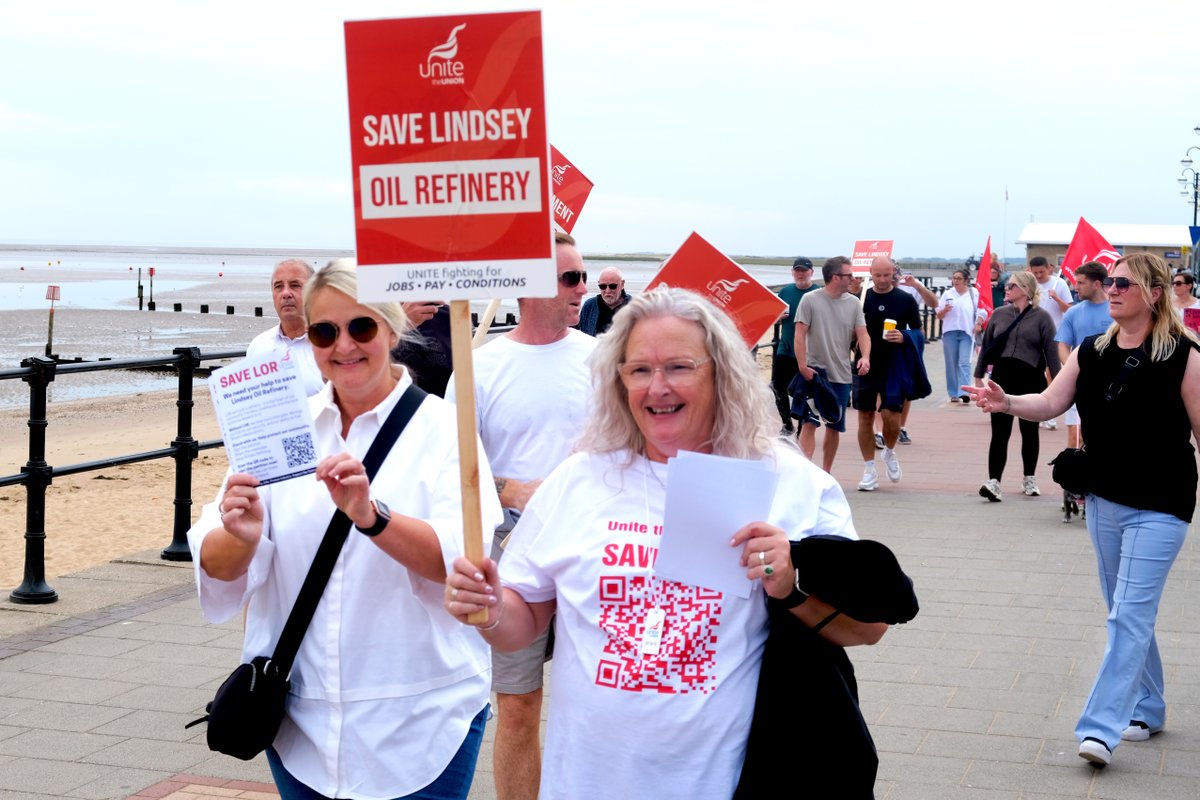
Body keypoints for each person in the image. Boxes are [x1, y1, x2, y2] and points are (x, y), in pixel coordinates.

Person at [444, 286, 888, 798]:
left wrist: (790, 581)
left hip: (729, 781)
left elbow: (870, 628)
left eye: (678, 367)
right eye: (638, 370)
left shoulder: (788, 482)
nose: (656, 387)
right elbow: (523, 624)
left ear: (722, 372)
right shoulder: (579, 479)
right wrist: (490, 606)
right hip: (587, 782)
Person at [188, 259, 502, 799]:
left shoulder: (445, 430)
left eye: (361, 327)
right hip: (301, 720)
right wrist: (238, 538)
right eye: (324, 331)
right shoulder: (281, 428)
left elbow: (458, 564)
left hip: (420, 717)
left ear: (392, 327)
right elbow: (215, 570)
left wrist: (372, 517)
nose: (344, 346)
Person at [965, 253, 1200, 769]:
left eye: (1123, 283)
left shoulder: (1185, 355)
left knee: (1128, 615)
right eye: (1109, 282)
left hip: (1162, 504)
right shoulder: (1093, 350)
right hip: (1104, 498)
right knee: (1125, 612)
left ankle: (1100, 728)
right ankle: (1151, 706)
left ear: (1154, 294)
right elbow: (1050, 402)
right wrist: (1005, 404)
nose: (1111, 290)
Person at [445, 230, 598, 800]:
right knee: (516, 708)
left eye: (582, 275)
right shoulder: (481, 366)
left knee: (603, 700)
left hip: (593, 542)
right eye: (569, 278)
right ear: (529, 285)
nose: (581, 288)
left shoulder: (605, 359)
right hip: (514, 548)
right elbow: (452, 464)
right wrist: (510, 487)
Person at [973, 270, 1061, 501]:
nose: (1006, 288)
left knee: (1029, 431)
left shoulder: (1042, 318)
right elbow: (988, 345)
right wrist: (978, 375)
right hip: (1001, 377)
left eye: (1012, 286)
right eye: (1007, 285)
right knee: (999, 432)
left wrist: (1059, 385)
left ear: (1026, 290)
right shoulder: (999, 314)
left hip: (1031, 379)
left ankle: (1029, 477)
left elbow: (1051, 354)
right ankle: (994, 482)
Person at [793, 256, 870, 473]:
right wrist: (802, 365)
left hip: (842, 375)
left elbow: (863, 334)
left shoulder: (854, 302)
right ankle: (806, 472)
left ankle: (826, 473)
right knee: (809, 422)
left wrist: (865, 357)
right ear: (836, 277)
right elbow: (800, 334)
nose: (853, 279)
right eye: (849, 275)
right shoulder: (810, 300)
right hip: (815, 373)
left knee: (834, 426)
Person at [853, 256, 922, 492]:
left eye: (886, 275)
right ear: (870, 273)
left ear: (894, 273)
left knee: (892, 417)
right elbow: (848, 330)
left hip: (895, 365)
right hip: (866, 362)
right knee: (865, 416)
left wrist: (904, 336)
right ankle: (869, 469)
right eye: (877, 275)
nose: (882, 280)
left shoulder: (905, 299)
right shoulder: (861, 299)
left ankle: (889, 452)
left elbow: (919, 333)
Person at [245, 259, 325, 396]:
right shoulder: (258, 346)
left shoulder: (330, 346)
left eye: (295, 285)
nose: (286, 293)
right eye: (278, 286)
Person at [1055, 262, 1112, 451]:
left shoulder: (1116, 310)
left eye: (1080, 283)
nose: (1075, 287)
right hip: (1080, 384)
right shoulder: (1073, 313)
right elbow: (1063, 345)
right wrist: (1073, 369)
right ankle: (1074, 478)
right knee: (1075, 437)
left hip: (1112, 386)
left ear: (1097, 284)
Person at [772, 257, 819, 434]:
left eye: (804, 270)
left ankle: (802, 427)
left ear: (811, 272)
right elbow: (773, 317)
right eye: (797, 270)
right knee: (777, 387)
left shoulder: (818, 293)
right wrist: (776, 319)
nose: (801, 274)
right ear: (792, 272)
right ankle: (787, 425)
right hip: (785, 348)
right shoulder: (785, 292)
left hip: (808, 352)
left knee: (802, 392)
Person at [1029, 256, 1073, 431]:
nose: (1039, 276)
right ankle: (1035, 409)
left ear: (1049, 268)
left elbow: (1069, 309)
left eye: (1042, 272)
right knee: (1035, 373)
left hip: (1054, 335)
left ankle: (1050, 414)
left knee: (1051, 373)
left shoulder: (1059, 284)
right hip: (1033, 335)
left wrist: (1056, 299)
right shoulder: (1031, 284)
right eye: (1035, 273)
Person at [936, 269, 986, 403]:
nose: (956, 281)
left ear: (965, 280)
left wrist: (978, 323)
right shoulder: (947, 294)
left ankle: (964, 391)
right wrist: (944, 311)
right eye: (954, 278)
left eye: (959, 278)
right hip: (950, 332)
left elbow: (982, 310)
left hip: (966, 333)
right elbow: (938, 315)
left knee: (964, 362)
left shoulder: (973, 293)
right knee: (951, 364)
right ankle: (953, 392)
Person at [391, 302, 453, 396]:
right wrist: (400, 324)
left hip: (444, 406)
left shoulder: (449, 316)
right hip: (393, 405)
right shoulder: (373, 316)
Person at [577, 266, 631, 336]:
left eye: (612, 286)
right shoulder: (589, 306)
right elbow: (581, 335)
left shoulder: (634, 307)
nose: (607, 291)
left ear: (622, 284)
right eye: (603, 286)